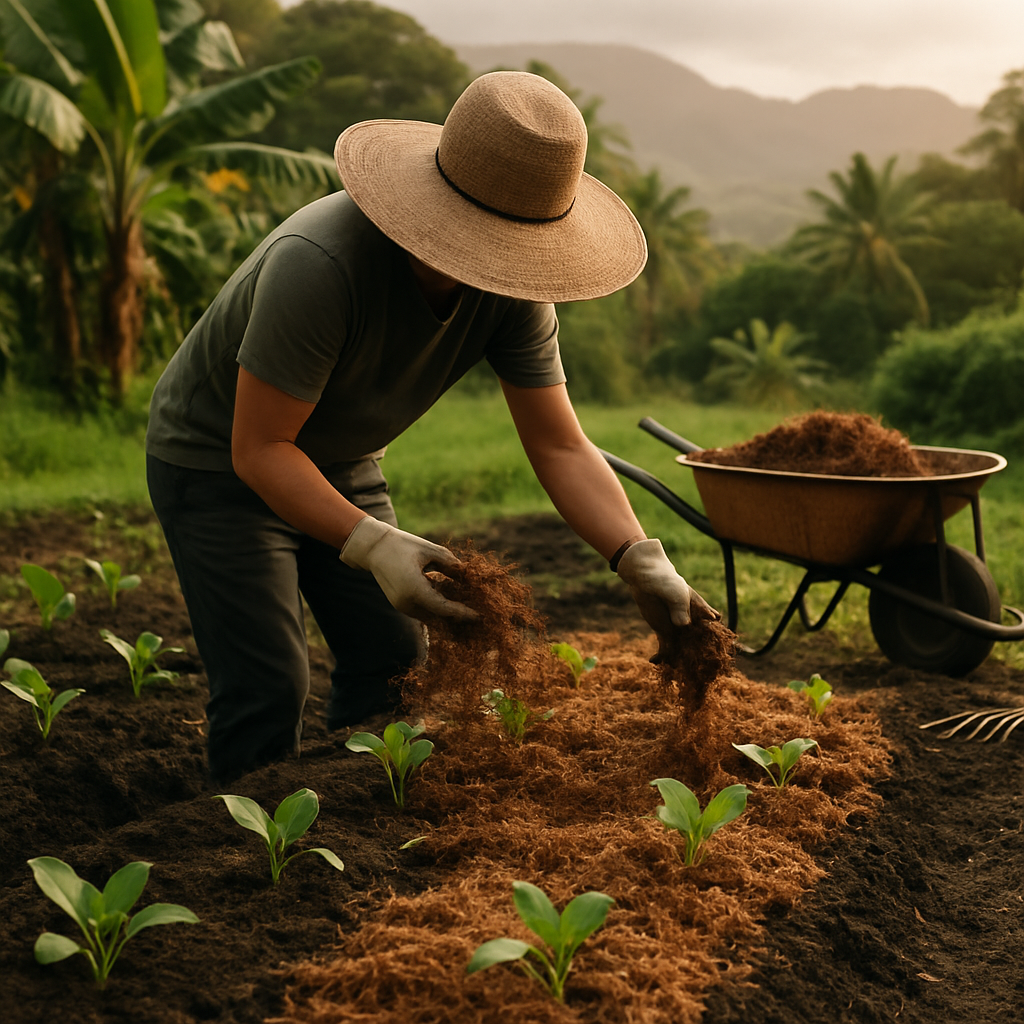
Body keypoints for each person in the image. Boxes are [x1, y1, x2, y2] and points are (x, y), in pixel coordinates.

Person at [145, 71, 717, 784]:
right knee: (268, 686)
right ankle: (239, 836)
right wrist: (372, 543)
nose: (493, 262)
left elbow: (559, 442)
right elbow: (260, 448)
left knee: (392, 663)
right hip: (216, 465)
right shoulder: (320, 265)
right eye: (482, 239)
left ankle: (352, 812)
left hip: (342, 459)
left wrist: (637, 557)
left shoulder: (513, 294)